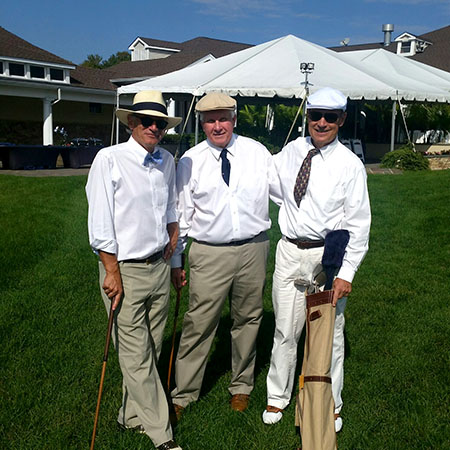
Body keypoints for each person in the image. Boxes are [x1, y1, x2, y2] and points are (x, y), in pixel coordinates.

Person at [262, 87, 371, 433]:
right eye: (315, 115)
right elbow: (272, 185)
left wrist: (347, 273)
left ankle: (331, 403)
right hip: (290, 250)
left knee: (330, 334)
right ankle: (277, 395)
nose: (321, 123)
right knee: (285, 329)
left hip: (328, 258)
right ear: (307, 117)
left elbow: (359, 223)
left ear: (341, 120)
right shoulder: (292, 151)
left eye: (329, 117)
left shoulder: (350, 165)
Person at [170, 92, 281, 418]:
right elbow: (181, 214)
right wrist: (177, 260)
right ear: (202, 123)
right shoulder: (190, 160)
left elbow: (282, 193)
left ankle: (241, 386)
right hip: (209, 253)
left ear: (234, 119)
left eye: (223, 118)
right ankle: (185, 392)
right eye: (210, 120)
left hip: (253, 249)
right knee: (199, 323)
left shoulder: (257, 153)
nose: (217, 126)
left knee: (248, 319)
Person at [86, 90, 183, 450]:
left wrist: (175, 262)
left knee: (151, 349)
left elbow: (172, 213)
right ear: (131, 123)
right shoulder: (108, 160)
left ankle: (130, 415)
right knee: (136, 355)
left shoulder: (167, 162)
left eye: (159, 123)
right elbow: (100, 223)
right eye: (147, 121)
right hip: (122, 270)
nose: (154, 127)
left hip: (158, 266)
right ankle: (162, 433)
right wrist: (111, 271)